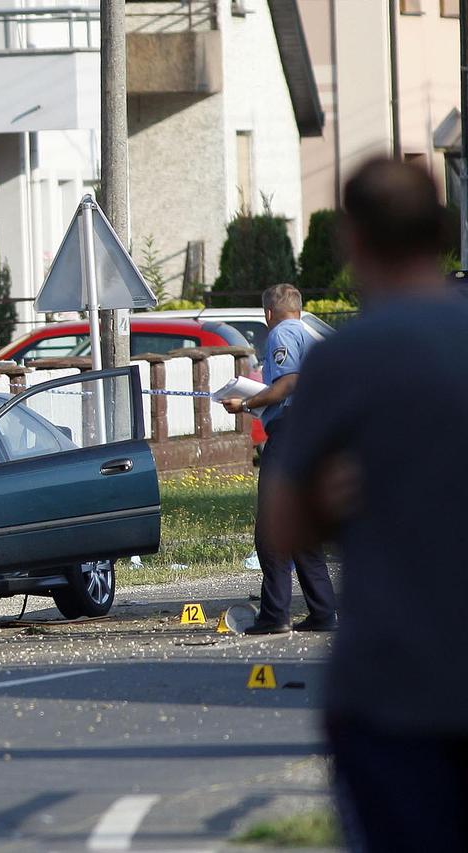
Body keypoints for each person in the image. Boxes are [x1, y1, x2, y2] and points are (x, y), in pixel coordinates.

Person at [267, 158, 468, 850]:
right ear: (444, 231)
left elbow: (286, 525)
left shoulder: (345, 361)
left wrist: (333, 496)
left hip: (391, 692)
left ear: (351, 242)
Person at [221, 283, 337, 634]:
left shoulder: (281, 335)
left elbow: (287, 384)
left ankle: (275, 615)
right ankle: (322, 611)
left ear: (267, 313)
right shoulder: (310, 334)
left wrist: (245, 404)